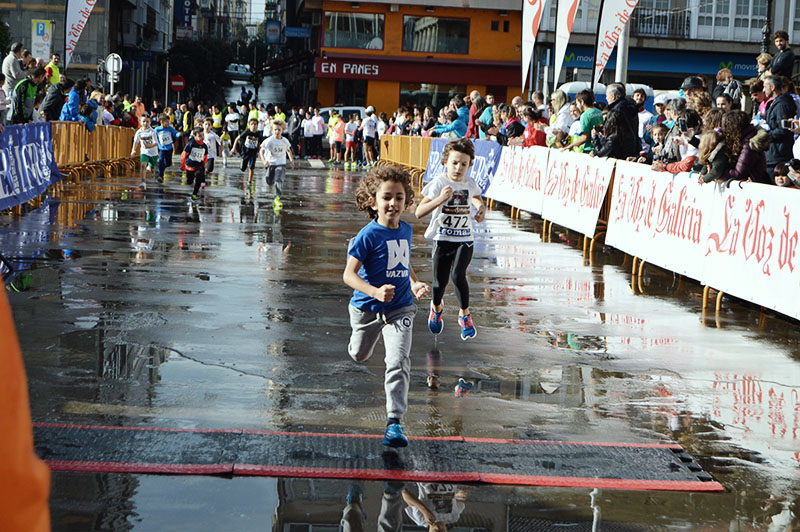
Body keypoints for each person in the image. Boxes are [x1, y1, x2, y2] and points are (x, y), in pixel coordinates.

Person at [343, 165, 430, 448]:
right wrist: (374, 291)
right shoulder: (367, 236)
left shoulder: (405, 229)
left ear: (406, 201)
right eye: (387, 197)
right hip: (367, 308)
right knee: (358, 354)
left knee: (397, 362)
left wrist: (414, 282)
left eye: (400, 197)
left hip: (401, 307)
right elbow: (348, 275)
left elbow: (402, 261)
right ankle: (363, 342)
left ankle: (394, 423)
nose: (393, 203)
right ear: (373, 201)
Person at [415, 138, 485, 340]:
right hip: (443, 238)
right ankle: (436, 308)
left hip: (465, 239)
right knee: (440, 283)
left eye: (464, 164)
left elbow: (476, 196)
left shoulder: (469, 182)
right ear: (445, 162)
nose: (458, 168)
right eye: (454, 163)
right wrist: (440, 199)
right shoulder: (439, 183)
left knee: (458, 275)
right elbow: (419, 212)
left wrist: (481, 209)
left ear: (470, 165)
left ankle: (465, 316)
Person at [721, 110, 770, 184]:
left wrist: (719, 174)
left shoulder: (750, 143)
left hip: (755, 185)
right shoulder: (740, 140)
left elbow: (738, 173)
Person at [763, 75, 797, 179]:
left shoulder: (782, 104)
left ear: (772, 87)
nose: (763, 90)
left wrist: (766, 134)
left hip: (778, 157)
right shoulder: (774, 103)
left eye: (765, 86)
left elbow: (784, 129)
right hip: (772, 155)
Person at [259, 118, 294, 209]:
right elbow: (261, 151)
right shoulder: (269, 140)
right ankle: (271, 181)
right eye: (275, 129)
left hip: (281, 163)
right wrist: (264, 161)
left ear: (282, 130)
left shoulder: (285, 141)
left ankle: (277, 198)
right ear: (272, 130)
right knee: (269, 181)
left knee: (279, 180)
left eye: (279, 129)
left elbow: (288, 151)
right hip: (270, 164)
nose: (277, 131)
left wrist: (291, 161)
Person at [403, 483, 468, 530]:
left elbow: (405, 493)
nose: (438, 528)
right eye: (441, 531)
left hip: (428, 476)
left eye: (436, 531)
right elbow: (460, 497)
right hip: (449, 476)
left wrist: (425, 511)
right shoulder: (453, 517)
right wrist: (462, 493)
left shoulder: (421, 519)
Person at [231, 118, 263, 185]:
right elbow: (237, 139)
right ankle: (242, 162)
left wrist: (260, 152)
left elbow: (260, 144)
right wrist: (233, 148)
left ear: (257, 126)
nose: (253, 126)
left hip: (253, 152)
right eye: (252, 124)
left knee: (251, 167)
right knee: (243, 168)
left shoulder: (258, 134)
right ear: (249, 125)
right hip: (245, 151)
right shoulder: (247, 132)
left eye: (255, 124)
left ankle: (249, 181)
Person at [181, 127, 208, 202]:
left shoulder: (204, 146)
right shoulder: (191, 143)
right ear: (195, 136)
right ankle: (190, 180)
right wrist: (183, 165)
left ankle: (194, 194)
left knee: (199, 178)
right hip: (189, 166)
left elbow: (205, 156)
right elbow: (184, 154)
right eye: (200, 136)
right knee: (189, 181)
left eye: (203, 135)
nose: (202, 137)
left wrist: (205, 163)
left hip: (199, 166)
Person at [131, 115, 159, 188]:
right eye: (144, 121)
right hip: (144, 152)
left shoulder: (152, 132)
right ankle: (143, 182)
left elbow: (156, 143)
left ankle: (150, 167)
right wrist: (133, 150)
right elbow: (136, 142)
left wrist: (149, 146)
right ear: (140, 122)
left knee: (152, 166)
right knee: (143, 165)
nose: (145, 123)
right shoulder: (139, 132)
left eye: (147, 122)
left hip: (153, 153)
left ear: (150, 122)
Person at [155, 113, 179, 183]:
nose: (168, 123)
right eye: (167, 122)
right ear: (161, 122)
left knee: (168, 163)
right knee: (161, 160)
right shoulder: (157, 129)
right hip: (161, 148)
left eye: (168, 122)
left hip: (169, 148)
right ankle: (160, 175)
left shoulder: (170, 128)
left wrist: (178, 135)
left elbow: (175, 133)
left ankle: (163, 168)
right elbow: (153, 136)